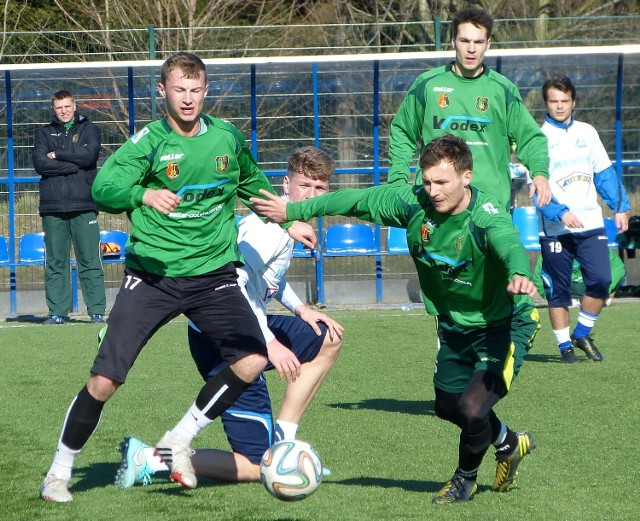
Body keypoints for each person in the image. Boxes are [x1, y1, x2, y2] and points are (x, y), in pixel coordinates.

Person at [39, 52, 315, 503]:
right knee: (105, 381)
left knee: (249, 360)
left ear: (206, 92)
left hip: (213, 275)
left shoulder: (225, 138)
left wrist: (291, 219)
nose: (187, 99)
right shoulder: (148, 142)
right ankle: (58, 471)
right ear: (163, 91)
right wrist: (144, 194)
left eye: (195, 90)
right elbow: (102, 188)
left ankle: (177, 440)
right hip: (153, 277)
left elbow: (254, 185)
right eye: (179, 90)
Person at [252, 134, 540, 504]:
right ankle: (509, 442)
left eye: (443, 182)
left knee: (472, 409)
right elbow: (353, 200)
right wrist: (293, 212)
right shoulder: (412, 202)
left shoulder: (485, 217)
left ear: (466, 177)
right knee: (447, 407)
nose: (433, 191)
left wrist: (519, 273)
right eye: (427, 181)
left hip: (502, 324)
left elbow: (509, 243)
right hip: (453, 326)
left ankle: (463, 481)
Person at [113, 146, 343, 486]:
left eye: (319, 188)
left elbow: (268, 279)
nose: (310, 195)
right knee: (256, 467)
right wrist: (270, 345)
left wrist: (300, 308)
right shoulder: (267, 228)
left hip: (249, 329)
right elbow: (235, 283)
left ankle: (284, 443)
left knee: (328, 339)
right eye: (304, 186)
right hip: (223, 339)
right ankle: (151, 457)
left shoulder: (286, 223)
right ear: (285, 184)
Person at [386, 7, 551, 212]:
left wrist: (540, 173)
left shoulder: (503, 90)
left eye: (478, 42)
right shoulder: (427, 85)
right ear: (453, 41)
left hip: (490, 207)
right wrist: (398, 179)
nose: (471, 49)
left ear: (488, 44)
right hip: (436, 206)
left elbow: (531, 138)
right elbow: (402, 131)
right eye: (465, 41)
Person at [537, 76, 630, 364]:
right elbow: (536, 186)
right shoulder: (537, 138)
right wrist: (561, 212)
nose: (560, 106)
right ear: (546, 103)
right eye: (554, 101)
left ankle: (581, 332)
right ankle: (565, 347)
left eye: (565, 101)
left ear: (573, 102)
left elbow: (604, 173)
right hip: (555, 229)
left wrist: (619, 207)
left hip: (591, 224)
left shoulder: (588, 133)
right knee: (558, 290)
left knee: (602, 279)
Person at [32, 89, 106, 324]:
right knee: (55, 262)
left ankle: (96, 311)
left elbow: (89, 155)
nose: (63, 111)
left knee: (90, 260)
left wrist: (59, 154)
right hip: (53, 207)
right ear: (53, 109)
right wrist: (73, 166)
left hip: (84, 205)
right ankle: (57, 313)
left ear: (74, 106)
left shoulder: (89, 129)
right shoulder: (44, 133)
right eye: (59, 107)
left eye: (67, 106)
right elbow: (40, 164)